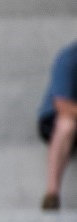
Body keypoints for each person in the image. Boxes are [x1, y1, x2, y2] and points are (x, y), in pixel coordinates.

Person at [38, 40, 77, 210]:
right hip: (56, 120)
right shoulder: (69, 58)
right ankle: (52, 194)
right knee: (66, 124)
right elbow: (62, 105)